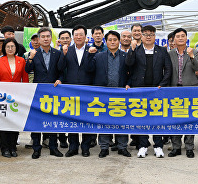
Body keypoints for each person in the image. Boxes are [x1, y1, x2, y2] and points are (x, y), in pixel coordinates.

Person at [125, 25, 172, 158]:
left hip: (157, 90)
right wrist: (132, 50)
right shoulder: (136, 49)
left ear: (155, 36)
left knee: (157, 118)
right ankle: (143, 145)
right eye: (145, 34)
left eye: (151, 34)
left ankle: (158, 146)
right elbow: (129, 65)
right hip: (140, 90)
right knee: (141, 118)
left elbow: (168, 70)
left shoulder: (162, 51)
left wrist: (162, 85)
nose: (148, 36)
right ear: (141, 36)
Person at [86, 30, 132, 158]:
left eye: (115, 40)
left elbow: (131, 73)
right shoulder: (99, 56)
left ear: (119, 41)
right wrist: (89, 55)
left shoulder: (125, 56)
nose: (112, 42)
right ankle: (104, 147)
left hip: (121, 94)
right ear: (106, 41)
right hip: (103, 95)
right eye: (110, 40)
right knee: (104, 121)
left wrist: (128, 84)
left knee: (122, 121)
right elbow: (89, 69)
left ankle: (122, 147)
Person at [25, 27, 66, 158]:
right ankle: (36, 148)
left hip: (54, 91)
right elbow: (27, 70)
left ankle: (53, 147)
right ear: (39, 39)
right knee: (37, 121)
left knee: (52, 120)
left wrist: (60, 79)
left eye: (48, 36)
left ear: (51, 38)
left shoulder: (57, 53)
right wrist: (30, 58)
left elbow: (62, 71)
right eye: (43, 37)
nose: (46, 39)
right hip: (38, 92)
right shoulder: (34, 53)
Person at [0, 38, 29, 157]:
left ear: (16, 48)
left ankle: (13, 148)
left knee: (14, 123)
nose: (10, 49)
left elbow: (25, 78)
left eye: (12, 46)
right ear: (4, 48)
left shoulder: (21, 60)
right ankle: (4, 149)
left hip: (17, 96)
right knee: (3, 123)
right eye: (8, 47)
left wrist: (25, 94)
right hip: (3, 96)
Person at [62, 25, 95, 157]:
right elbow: (60, 68)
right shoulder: (67, 50)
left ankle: (86, 147)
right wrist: (63, 54)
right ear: (72, 37)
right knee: (72, 120)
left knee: (86, 120)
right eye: (76, 34)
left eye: (81, 34)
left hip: (87, 90)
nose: (78, 37)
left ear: (85, 37)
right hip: (71, 90)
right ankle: (73, 146)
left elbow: (92, 69)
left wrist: (91, 56)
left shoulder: (92, 50)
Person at [167, 28, 198, 158]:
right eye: (178, 36)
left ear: (186, 38)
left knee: (189, 120)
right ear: (174, 39)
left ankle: (189, 147)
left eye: (183, 36)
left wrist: (191, 56)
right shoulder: (170, 54)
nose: (180, 38)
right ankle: (176, 147)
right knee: (175, 119)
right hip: (174, 90)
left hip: (190, 90)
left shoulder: (194, 52)